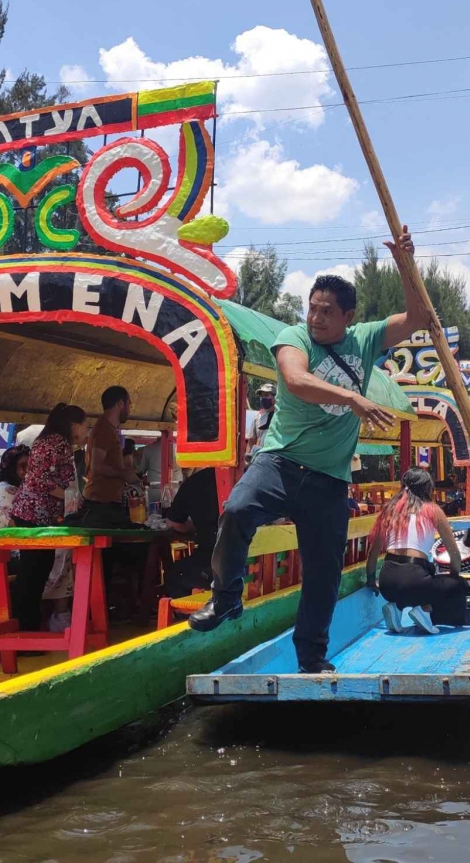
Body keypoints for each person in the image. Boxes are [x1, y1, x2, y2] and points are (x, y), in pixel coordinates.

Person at [191, 226, 427, 674]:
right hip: (279, 464)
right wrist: (353, 398)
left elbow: (418, 318)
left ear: (349, 317)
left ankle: (313, 659)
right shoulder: (292, 337)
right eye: (312, 309)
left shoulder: (365, 339)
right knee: (237, 510)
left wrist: (405, 264)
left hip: (329, 483)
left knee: (323, 576)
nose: (316, 318)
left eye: (326, 312)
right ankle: (225, 598)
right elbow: (297, 381)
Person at [365, 467, 470, 634]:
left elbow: (373, 552)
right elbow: (454, 553)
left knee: (421, 583)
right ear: (427, 488)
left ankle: (396, 606)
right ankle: (424, 611)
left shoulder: (389, 511)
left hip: (387, 583)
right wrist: (453, 576)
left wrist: (371, 579)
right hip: (416, 582)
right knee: (458, 585)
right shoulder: (432, 510)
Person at [10, 404, 89, 631]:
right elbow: (39, 481)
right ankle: (24, 627)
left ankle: (27, 625)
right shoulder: (57, 442)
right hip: (33, 512)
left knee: (36, 570)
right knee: (33, 571)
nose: (86, 431)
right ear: (74, 425)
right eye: (85, 425)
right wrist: (70, 498)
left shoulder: (53, 442)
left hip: (35, 513)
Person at [82, 386, 141, 527]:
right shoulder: (104, 429)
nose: (130, 409)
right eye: (129, 404)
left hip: (106, 501)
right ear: (120, 404)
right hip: (101, 503)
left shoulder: (109, 428)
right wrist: (124, 474)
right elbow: (97, 466)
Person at [162, 467, 220, 598]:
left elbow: (174, 524)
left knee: (174, 574)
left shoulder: (196, 481)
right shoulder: (251, 476)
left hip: (214, 568)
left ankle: (191, 617)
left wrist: (199, 525)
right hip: (257, 573)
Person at [0, 445, 31, 529]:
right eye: (23, 466)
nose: (28, 470)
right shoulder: (4, 490)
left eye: (30, 466)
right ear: (12, 468)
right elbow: (17, 524)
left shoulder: (19, 487)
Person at [245, 383, 277, 460]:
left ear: (275, 397)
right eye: (261, 396)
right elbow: (251, 440)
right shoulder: (257, 417)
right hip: (260, 458)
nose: (263, 398)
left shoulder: (282, 415)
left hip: (275, 458)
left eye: (266, 395)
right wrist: (247, 459)